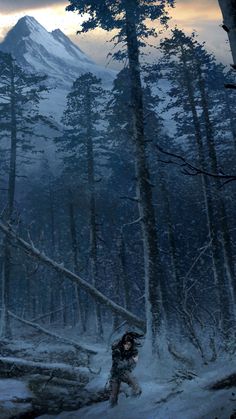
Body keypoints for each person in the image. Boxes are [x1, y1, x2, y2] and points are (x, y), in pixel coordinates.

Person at [109, 331, 143, 407]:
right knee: (114, 395)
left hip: (125, 372)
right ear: (122, 342)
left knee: (137, 388)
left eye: (129, 344)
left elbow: (134, 364)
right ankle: (112, 410)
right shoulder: (117, 350)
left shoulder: (134, 351)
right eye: (125, 343)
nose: (126, 346)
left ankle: (132, 405)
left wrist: (129, 364)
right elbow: (118, 364)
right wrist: (129, 362)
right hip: (115, 373)